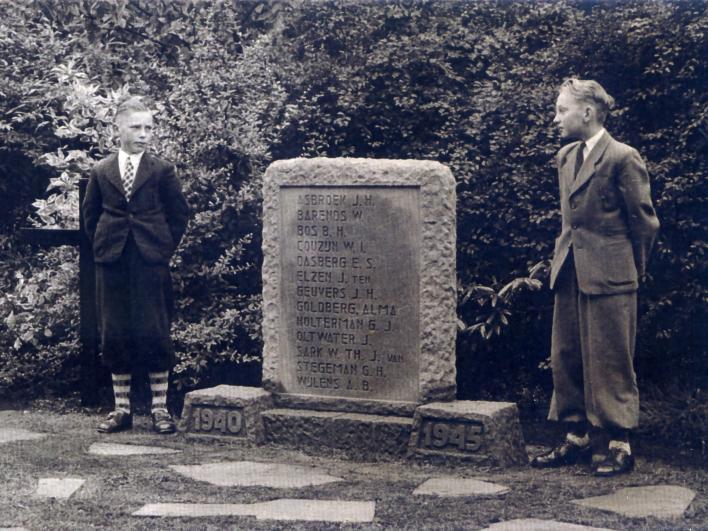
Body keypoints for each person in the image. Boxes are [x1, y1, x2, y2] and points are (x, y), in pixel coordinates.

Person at [531, 79, 660, 476]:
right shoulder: (566, 157)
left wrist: (629, 270)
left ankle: (619, 443)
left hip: (612, 275)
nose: (555, 119)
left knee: (611, 357)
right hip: (570, 271)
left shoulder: (623, 157)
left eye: (561, 110)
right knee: (566, 354)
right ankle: (577, 438)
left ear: (587, 112)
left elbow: (645, 223)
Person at [82, 96, 190, 434]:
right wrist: (106, 244)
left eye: (149, 128)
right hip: (112, 261)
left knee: (154, 330)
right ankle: (122, 410)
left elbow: (179, 215)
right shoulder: (101, 171)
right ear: (119, 128)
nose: (144, 134)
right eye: (136, 127)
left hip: (149, 261)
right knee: (115, 331)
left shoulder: (162, 170)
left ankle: (160, 408)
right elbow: (90, 217)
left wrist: (160, 247)